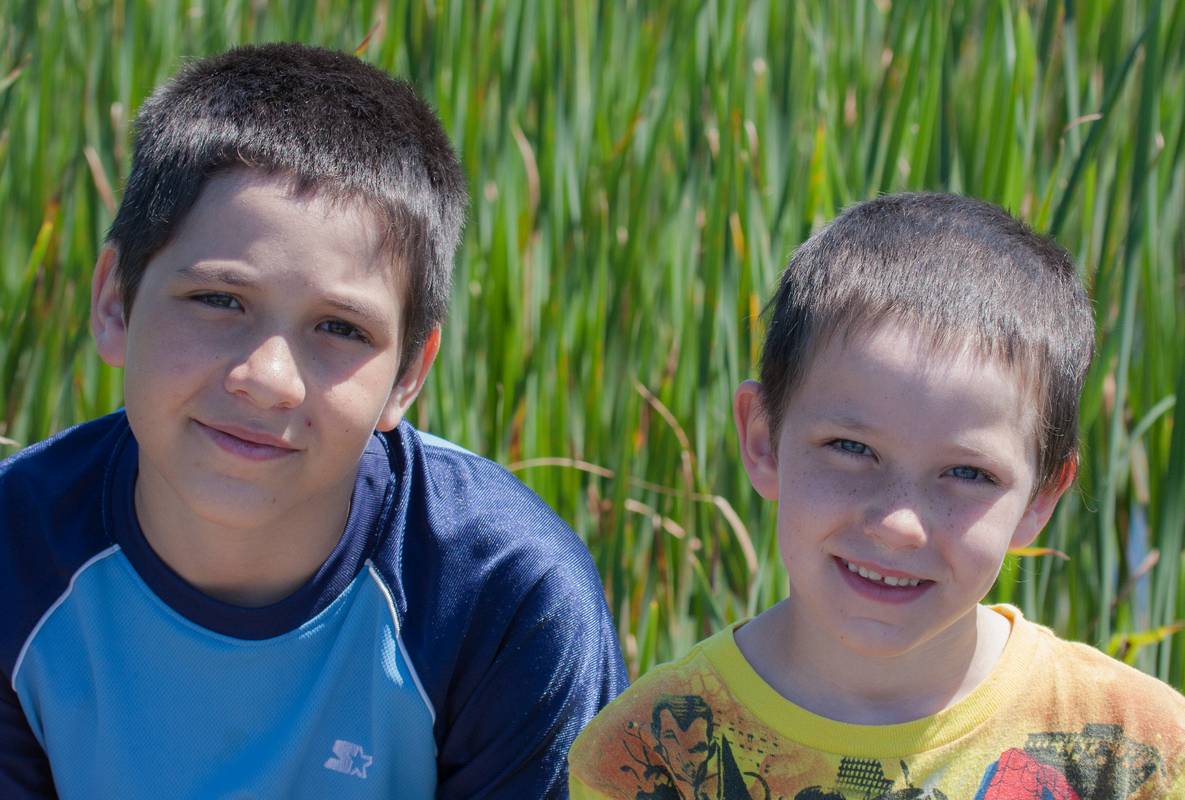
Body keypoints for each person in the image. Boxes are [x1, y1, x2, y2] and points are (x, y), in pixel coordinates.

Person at [0, 43, 625, 798]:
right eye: (219, 301)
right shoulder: (16, 554)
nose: (266, 379)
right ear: (114, 303)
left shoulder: (502, 595)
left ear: (408, 376)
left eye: (339, 329)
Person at [569, 193, 1185, 800]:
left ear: (1040, 499)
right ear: (763, 439)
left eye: (968, 474)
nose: (897, 525)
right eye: (851, 448)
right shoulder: (651, 753)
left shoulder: (1141, 752)